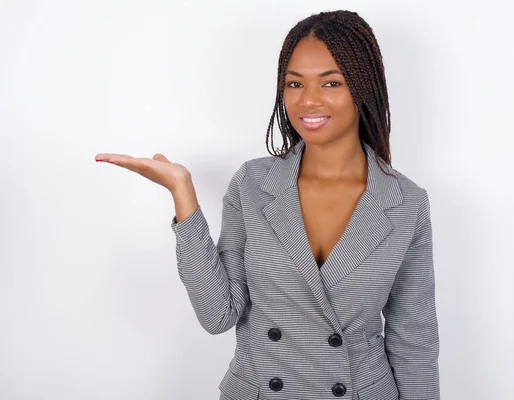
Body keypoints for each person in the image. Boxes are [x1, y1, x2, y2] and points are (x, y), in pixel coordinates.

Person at [95, 10, 440, 400]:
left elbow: (415, 344)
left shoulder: (407, 202)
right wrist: (183, 195)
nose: (308, 100)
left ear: (363, 86)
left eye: (331, 82)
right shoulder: (253, 183)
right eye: (295, 83)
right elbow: (217, 315)